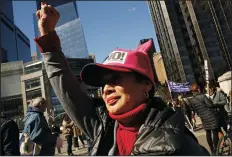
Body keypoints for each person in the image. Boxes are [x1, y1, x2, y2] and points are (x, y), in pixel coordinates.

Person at [34, 3, 209, 155]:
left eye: (116, 77)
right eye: (104, 82)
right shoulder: (101, 126)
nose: (107, 88)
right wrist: (48, 35)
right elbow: (67, 87)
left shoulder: (180, 145)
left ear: (146, 85)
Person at [189, 84, 220, 155]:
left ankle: (212, 150)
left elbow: (194, 110)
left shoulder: (191, 100)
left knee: (208, 132)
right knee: (215, 132)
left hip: (203, 117)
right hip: (211, 116)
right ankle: (216, 149)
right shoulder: (203, 96)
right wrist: (213, 103)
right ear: (198, 89)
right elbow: (210, 105)